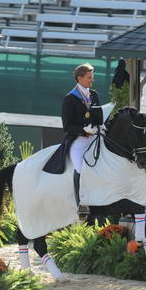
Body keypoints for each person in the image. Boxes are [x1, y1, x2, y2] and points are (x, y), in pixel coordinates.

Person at [43, 63, 103, 214]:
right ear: (80, 78)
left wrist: (97, 127)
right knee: (80, 167)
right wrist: (84, 131)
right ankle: (80, 203)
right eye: (89, 77)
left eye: (92, 77)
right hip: (79, 140)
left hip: (95, 136)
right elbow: (67, 126)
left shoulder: (94, 94)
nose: (92, 80)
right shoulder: (70, 98)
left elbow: (99, 116)